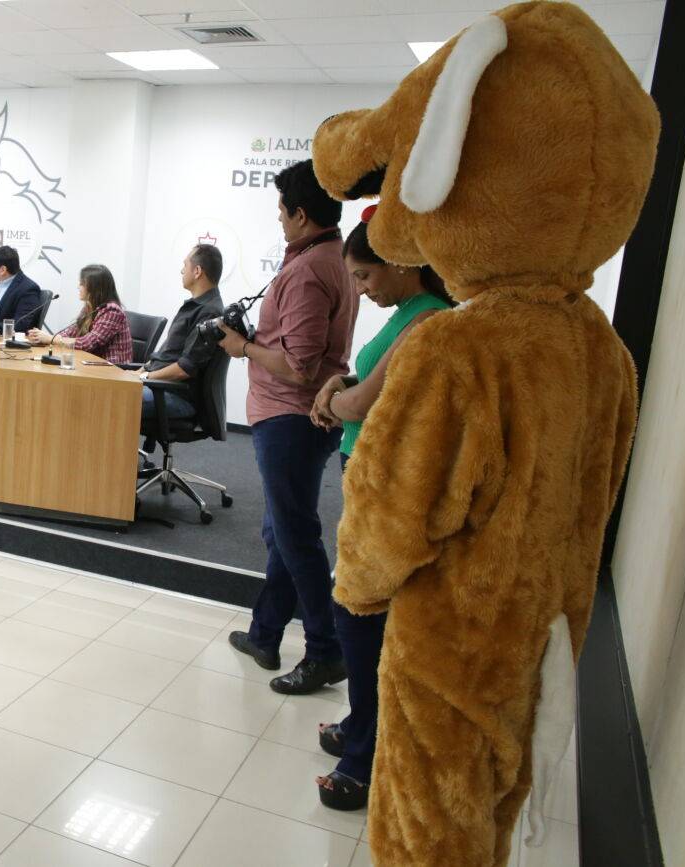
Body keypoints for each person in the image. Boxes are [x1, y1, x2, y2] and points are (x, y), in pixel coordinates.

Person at [305, 206, 453, 811]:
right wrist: (338, 390)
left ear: (401, 263)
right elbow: (360, 389)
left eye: (365, 277)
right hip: (369, 474)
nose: (362, 290)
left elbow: (367, 401)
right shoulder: (409, 315)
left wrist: (335, 398)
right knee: (359, 611)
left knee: (360, 615)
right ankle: (361, 725)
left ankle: (366, 757)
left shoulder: (429, 319)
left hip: (390, 486)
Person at [221, 159, 358, 695]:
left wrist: (242, 347)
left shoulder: (306, 270)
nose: (278, 219)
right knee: (282, 530)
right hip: (303, 418)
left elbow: (299, 365)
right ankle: (265, 634)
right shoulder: (331, 256)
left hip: (290, 417)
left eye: (281, 210)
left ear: (301, 214)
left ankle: (326, 650)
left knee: (295, 536)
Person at [136, 243, 225, 420]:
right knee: (110, 390)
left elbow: (184, 369)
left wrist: (144, 376)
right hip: (157, 386)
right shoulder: (195, 307)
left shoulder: (209, 312)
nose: (182, 271)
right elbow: (166, 355)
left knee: (112, 398)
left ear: (197, 271)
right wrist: (139, 372)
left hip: (174, 395)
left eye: (185, 265)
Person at [26, 264, 132, 364]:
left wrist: (51, 339)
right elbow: (70, 333)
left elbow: (87, 343)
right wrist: (41, 337)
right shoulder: (90, 307)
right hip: (91, 364)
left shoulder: (112, 311)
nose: (78, 287)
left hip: (112, 369)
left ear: (95, 288)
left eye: (82, 284)